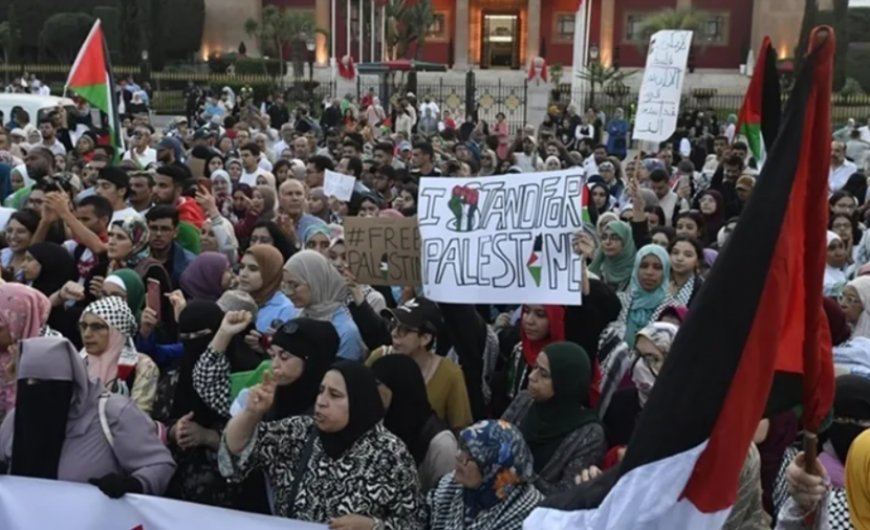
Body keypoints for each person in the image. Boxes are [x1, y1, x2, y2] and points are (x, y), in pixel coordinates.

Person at [220, 360, 426, 528]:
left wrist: (374, 526)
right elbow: (234, 456)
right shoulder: (298, 432)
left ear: (359, 402)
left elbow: (414, 522)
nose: (322, 401)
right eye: (321, 391)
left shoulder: (390, 453)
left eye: (335, 395)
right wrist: (251, 414)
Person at [0, 336, 175, 496]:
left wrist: (135, 484)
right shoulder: (17, 419)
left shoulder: (113, 413)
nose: (37, 393)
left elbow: (159, 464)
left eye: (48, 385)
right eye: (28, 385)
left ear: (72, 382)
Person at [501, 341, 604, 495]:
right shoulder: (525, 400)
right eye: (535, 367)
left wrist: (518, 471)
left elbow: (566, 494)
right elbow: (496, 438)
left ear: (565, 383)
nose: (531, 376)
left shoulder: (589, 434)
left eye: (544, 374)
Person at [365, 297, 473, 431]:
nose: (394, 333)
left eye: (403, 330)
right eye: (393, 324)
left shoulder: (450, 374)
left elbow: (459, 428)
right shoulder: (378, 357)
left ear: (425, 338)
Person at [426, 419, 543, 530]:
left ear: (493, 472)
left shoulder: (530, 518)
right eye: (462, 448)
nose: (458, 456)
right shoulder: (448, 488)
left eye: (469, 457)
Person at [371, 354, 457, 492]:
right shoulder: (380, 423)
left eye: (376, 384)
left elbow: (445, 499)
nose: (370, 391)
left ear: (397, 385)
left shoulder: (441, 445)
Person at [79, 296, 160, 415]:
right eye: (84, 326)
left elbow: (138, 420)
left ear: (116, 332)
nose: (87, 334)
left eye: (97, 327)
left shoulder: (142, 367)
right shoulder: (77, 362)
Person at [282, 250, 364, 361]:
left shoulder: (345, 331)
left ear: (316, 281)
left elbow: (341, 376)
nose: (288, 292)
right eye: (285, 285)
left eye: (294, 285)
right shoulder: (297, 316)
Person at [0, 284, 58, 422]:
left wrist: (13, 381)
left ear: (21, 321)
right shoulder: (6, 349)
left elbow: (32, 416)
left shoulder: (51, 356)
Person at [616, 244, 671, 348]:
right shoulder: (620, 302)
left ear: (665, 272)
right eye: (643, 266)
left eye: (657, 267)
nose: (649, 272)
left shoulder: (672, 309)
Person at [22, 242, 78, 335]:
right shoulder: (28, 289)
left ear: (47, 262)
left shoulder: (65, 297)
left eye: (29, 260)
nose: (23, 265)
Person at [238, 244, 295, 333]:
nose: (243, 274)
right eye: (241, 267)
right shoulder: (236, 300)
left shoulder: (286, 309)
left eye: (253, 269)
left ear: (270, 272)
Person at [145, 205, 196, 289]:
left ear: (175, 232)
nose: (158, 234)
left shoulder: (189, 264)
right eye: (153, 228)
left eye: (165, 229)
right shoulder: (135, 260)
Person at [589, 219, 637, 292]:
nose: (608, 242)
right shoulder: (599, 270)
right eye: (604, 237)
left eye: (614, 238)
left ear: (627, 242)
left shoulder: (638, 273)